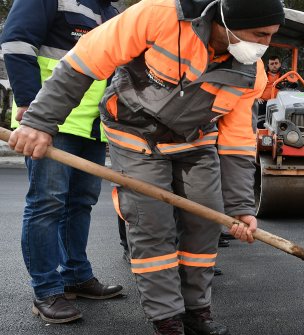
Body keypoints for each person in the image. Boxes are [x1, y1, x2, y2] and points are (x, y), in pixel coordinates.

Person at [7, 0, 284, 333]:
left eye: (271, 36)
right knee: (151, 224)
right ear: (226, 21)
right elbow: (85, 60)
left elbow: (237, 139)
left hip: (194, 140)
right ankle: (166, 317)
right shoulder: (160, 15)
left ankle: (197, 311)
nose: (264, 45)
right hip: (134, 134)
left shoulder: (249, 71)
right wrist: (39, 121)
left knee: (206, 218)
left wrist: (240, 208)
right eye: (260, 34)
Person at [0, 0, 123, 324]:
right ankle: (46, 291)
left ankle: (76, 277)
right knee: (47, 204)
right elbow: (15, 42)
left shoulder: (111, 13)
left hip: (92, 127)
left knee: (80, 203)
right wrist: (30, 107)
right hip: (52, 124)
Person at [256, 55, 283, 129]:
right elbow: (255, 87)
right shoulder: (262, 75)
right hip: (264, 101)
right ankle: (260, 131)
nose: (274, 65)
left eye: (276, 63)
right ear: (268, 65)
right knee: (259, 105)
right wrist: (257, 97)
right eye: (272, 64)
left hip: (279, 102)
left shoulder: (286, 76)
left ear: (279, 64)